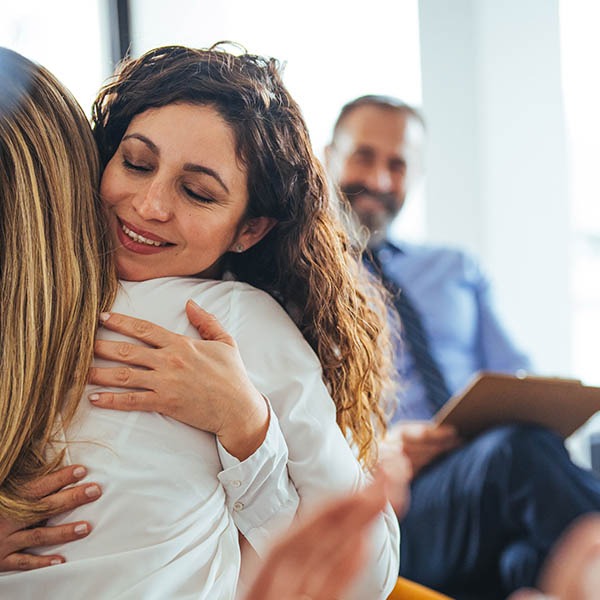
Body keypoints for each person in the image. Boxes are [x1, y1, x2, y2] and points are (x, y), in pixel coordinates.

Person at [0, 48, 400, 599]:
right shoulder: (32, 295)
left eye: (197, 193)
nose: (150, 205)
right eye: (136, 163)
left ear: (250, 230)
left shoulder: (236, 325)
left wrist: (246, 426)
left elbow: (367, 573)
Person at [325, 94, 600, 599]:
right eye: (364, 157)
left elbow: (520, 381)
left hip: (487, 484)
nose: (380, 180)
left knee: (526, 558)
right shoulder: (306, 279)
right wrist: (375, 448)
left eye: (397, 165)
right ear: (329, 157)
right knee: (517, 453)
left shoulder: (455, 268)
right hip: (398, 505)